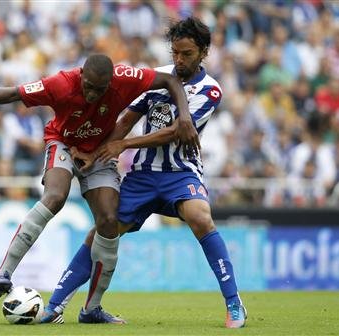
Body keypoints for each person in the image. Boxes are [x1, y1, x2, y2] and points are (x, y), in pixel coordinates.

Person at [0, 53, 198, 323]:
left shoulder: (127, 78)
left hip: (99, 153)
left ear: (110, 83)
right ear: (81, 75)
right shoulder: (60, 84)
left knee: (108, 221)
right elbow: (13, 93)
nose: (92, 93)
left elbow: (171, 80)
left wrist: (184, 116)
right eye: (88, 86)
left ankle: (92, 309)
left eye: (99, 89)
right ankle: (4, 273)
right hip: (63, 144)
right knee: (55, 197)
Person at [44, 18, 247, 328]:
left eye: (187, 54)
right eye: (176, 53)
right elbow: (125, 121)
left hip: (181, 172)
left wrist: (124, 145)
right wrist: (96, 152)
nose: (179, 60)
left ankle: (234, 304)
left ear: (203, 52)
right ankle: (56, 305)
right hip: (142, 175)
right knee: (102, 230)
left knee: (201, 217)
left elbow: (178, 131)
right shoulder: (158, 77)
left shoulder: (211, 90)